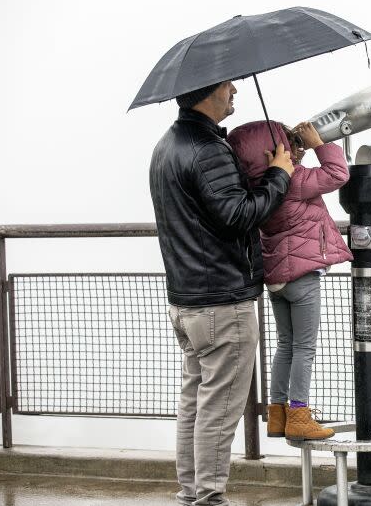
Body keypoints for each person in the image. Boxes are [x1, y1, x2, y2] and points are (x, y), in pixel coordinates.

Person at [149, 80, 294, 506]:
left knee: (195, 403)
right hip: (221, 303)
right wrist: (280, 176)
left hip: (187, 300)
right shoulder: (207, 149)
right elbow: (237, 215)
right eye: (228, 86)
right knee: (219, 408)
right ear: (207, 91)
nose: (235, 91)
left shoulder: (167, 145)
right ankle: (209, 498)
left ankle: (190, 493)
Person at [227, 120, 353, 441]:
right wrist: (319, 143)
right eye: (289, 144)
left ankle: (277, 412)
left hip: (276, 279)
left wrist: (295, 151)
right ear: (274, 151)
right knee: (305, 348)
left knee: (285, 344)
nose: (295, 150)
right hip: (302, 276)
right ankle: (299, 413)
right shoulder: (296, 180)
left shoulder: (259, 188)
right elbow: (338, 174)